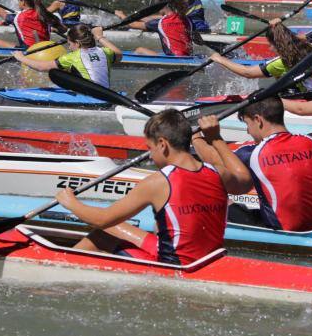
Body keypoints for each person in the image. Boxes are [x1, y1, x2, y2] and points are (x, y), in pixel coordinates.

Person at [56, 110, 253, 264]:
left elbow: (103, 219)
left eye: (150, 148)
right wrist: (215, 138)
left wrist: (70, 202)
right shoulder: (218, 172)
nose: (150, 156)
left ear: (162, 144)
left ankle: (60, 268)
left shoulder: (158, 182)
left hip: (176, 266)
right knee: (113, 230)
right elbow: (244, 179)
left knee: (101, 233)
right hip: (209, 261)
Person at [226, 97, 312, 231]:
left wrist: (210, 138)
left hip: (280, 231)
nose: (248, 131)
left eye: (247, 124)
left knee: (221, 201)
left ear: (258, 120)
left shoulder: (252, 153)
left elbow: (212, 174)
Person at [210, 22, 312, 90]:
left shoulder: (281, 62)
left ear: (278, 44)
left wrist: (220, 59)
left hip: (298, 101)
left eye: (271, 44)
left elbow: (247, 72)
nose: (270, 48)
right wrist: (279, 26)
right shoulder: (308, 50)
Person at [13, 24, 121, 88]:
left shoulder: (73, 57)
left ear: (77, 43)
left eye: (70, 44)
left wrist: (21, 58)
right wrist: (100, 37)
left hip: (90, 97)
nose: (69, 48)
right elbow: (119, 54)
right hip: (106, 94)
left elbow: (42, 67)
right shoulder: (105, 52)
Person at [115, 0, 193, 56]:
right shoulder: (187, 20)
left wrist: (121, 15)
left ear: (163, 6)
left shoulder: (161, 23)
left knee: (140, 50)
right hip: (188, 57)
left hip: (174, 58)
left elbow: (132, 25)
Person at [0, 0, 64, 48]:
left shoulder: (18, 17)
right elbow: (63, 29)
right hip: (45, 50)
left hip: (29, 51)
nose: (18, 3)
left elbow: (1, 13)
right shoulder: (45, 14)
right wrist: (51, 29)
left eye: (19, 1)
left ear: (23, 1)